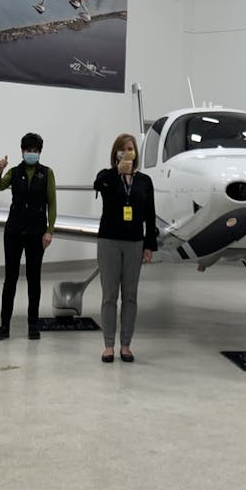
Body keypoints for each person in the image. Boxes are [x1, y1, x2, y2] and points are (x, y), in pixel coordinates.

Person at [92, 133, 157, 364]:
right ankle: (108, 345)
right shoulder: (107, 177)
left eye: (131, 149)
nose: (127, 152)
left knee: (130, 296)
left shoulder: (144, 181)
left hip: (134, 243)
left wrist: (150, 245)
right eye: (123, 149)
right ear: (116, 153)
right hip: (109, 241)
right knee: (109, 295)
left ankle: (126, 345)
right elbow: (97, 185)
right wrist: (117, 171)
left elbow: (150, 215)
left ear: (136, 153)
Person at [0, 133, 57, 341]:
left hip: (37, 232)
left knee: (33, 280)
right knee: (10, 279)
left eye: (35, 151)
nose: (31, 154)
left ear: (40, 152)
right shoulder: (14, 171)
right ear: (22, 151)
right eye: (28, 150)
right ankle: (4, 326)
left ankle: (33, 325)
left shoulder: (47, 173)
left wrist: (50, 230)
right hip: (14, 231)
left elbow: (52, 203)